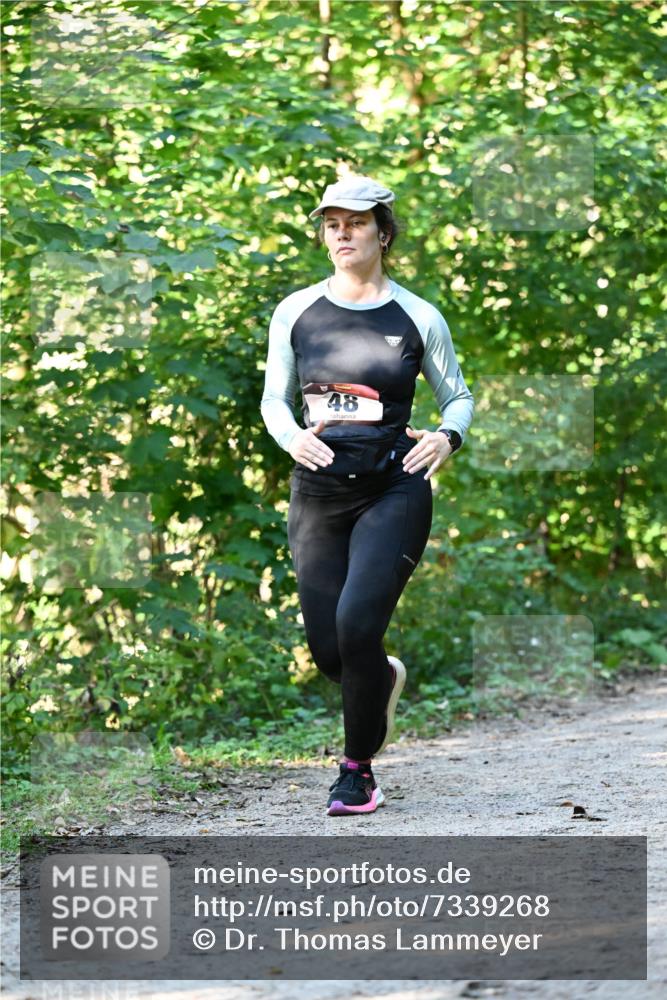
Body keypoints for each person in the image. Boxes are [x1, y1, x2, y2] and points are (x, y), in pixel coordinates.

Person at [260, 174, 474, 816]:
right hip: (319, 493)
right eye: (332, 224)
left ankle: (357, 773)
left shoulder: (418, 316)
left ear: (383, 233)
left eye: (355, 222)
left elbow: (458, 397)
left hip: (394, 488)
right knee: (331, 651)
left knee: (358, 626)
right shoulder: (296, 311)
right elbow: (274, 399)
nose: (342, 233)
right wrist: (291, 438)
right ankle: (381, 677)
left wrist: (446, 438)